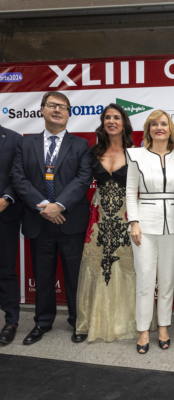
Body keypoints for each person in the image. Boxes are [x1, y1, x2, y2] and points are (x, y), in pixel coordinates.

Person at [11, 91, 92, 344]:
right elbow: (18, 178)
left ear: (69, 113)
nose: (57, 110)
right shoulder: (25, 143)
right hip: (39, 221)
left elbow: (82, 179)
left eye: (63, 107)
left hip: (71, 221)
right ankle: (42, 322)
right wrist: (45, 206)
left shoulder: (81, 145)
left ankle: (78, 322)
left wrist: (59, 205)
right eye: (52, 106)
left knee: (74, 276)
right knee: (43, 275)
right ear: (42, 110)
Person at [76, 103, 140, 342]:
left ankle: (126, 322)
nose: (111, 121)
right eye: (107, 118)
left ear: (124, 123)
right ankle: (92, 322)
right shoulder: (92, 153)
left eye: (116, 117)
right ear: (103, 123)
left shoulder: (137, 152)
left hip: (127, 216)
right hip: (99, 218)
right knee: (97, 265)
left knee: (126, 266)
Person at [127, 110, 174, 354]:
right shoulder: (135, 155)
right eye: (154, 124)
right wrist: (133, 221)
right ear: (148, 128)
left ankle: (163, 327)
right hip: (144, 225)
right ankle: (143, 330)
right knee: (144, 279)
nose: (159, 127)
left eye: (164, 123)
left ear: (171, 129)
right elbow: (131, 191)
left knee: (167, 281)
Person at [0, 125, 22, 345]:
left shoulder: (14, 138)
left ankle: (11, 321)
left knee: (5, 269)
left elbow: (20, 174)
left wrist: (6, 198)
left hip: (4, 212)